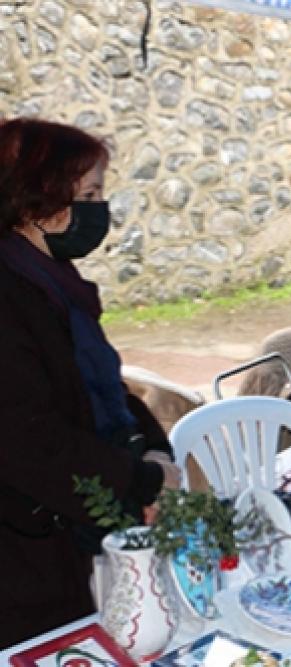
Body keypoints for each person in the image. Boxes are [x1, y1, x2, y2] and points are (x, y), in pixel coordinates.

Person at [0, 118, 183, 645]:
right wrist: (139, 480)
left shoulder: (52, 283)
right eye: (88, 194)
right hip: (24, 562)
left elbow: (97, 387)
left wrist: (153, 448)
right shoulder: (9, 295)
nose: (100, 210)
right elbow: (29, 439)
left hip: (60, 541)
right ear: (38, 202)